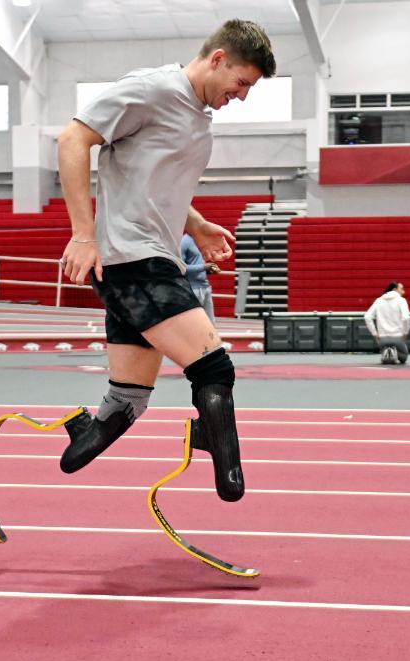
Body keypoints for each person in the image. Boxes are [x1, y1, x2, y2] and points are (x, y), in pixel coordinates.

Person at [54, 19, 276, 504]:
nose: (242, 96)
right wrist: (83, 234)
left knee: (129, 398)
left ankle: (80, 441)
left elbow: (151, 179)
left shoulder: (197, 115)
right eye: (241, 83)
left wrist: (194, 224)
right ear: (218, 58)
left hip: (154, 259)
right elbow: (72, 141)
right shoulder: (151, 89)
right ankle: (220, 460)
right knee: (214, 371)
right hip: (134, 263)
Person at [364, 281, 410, 365]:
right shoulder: (402, 300)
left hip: (383, 339)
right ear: (395, 289)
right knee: (404, 358)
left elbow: (367, 317)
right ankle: (395, 352)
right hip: (398, 338)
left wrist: (375, 334)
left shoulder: (379, 300)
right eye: (401, 289)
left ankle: (386, 351)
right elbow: (406, 318)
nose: (403, 292)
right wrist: (405, 333)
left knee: (384, 345)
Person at [180, 233, 221, 324]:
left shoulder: (199, 240)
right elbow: (181, 267)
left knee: (211, 324)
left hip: (205, 287)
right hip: (193, 289)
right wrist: (203, 267)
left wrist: (208, 270)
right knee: (194, 324)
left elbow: (197, 264)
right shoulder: (184, 241)